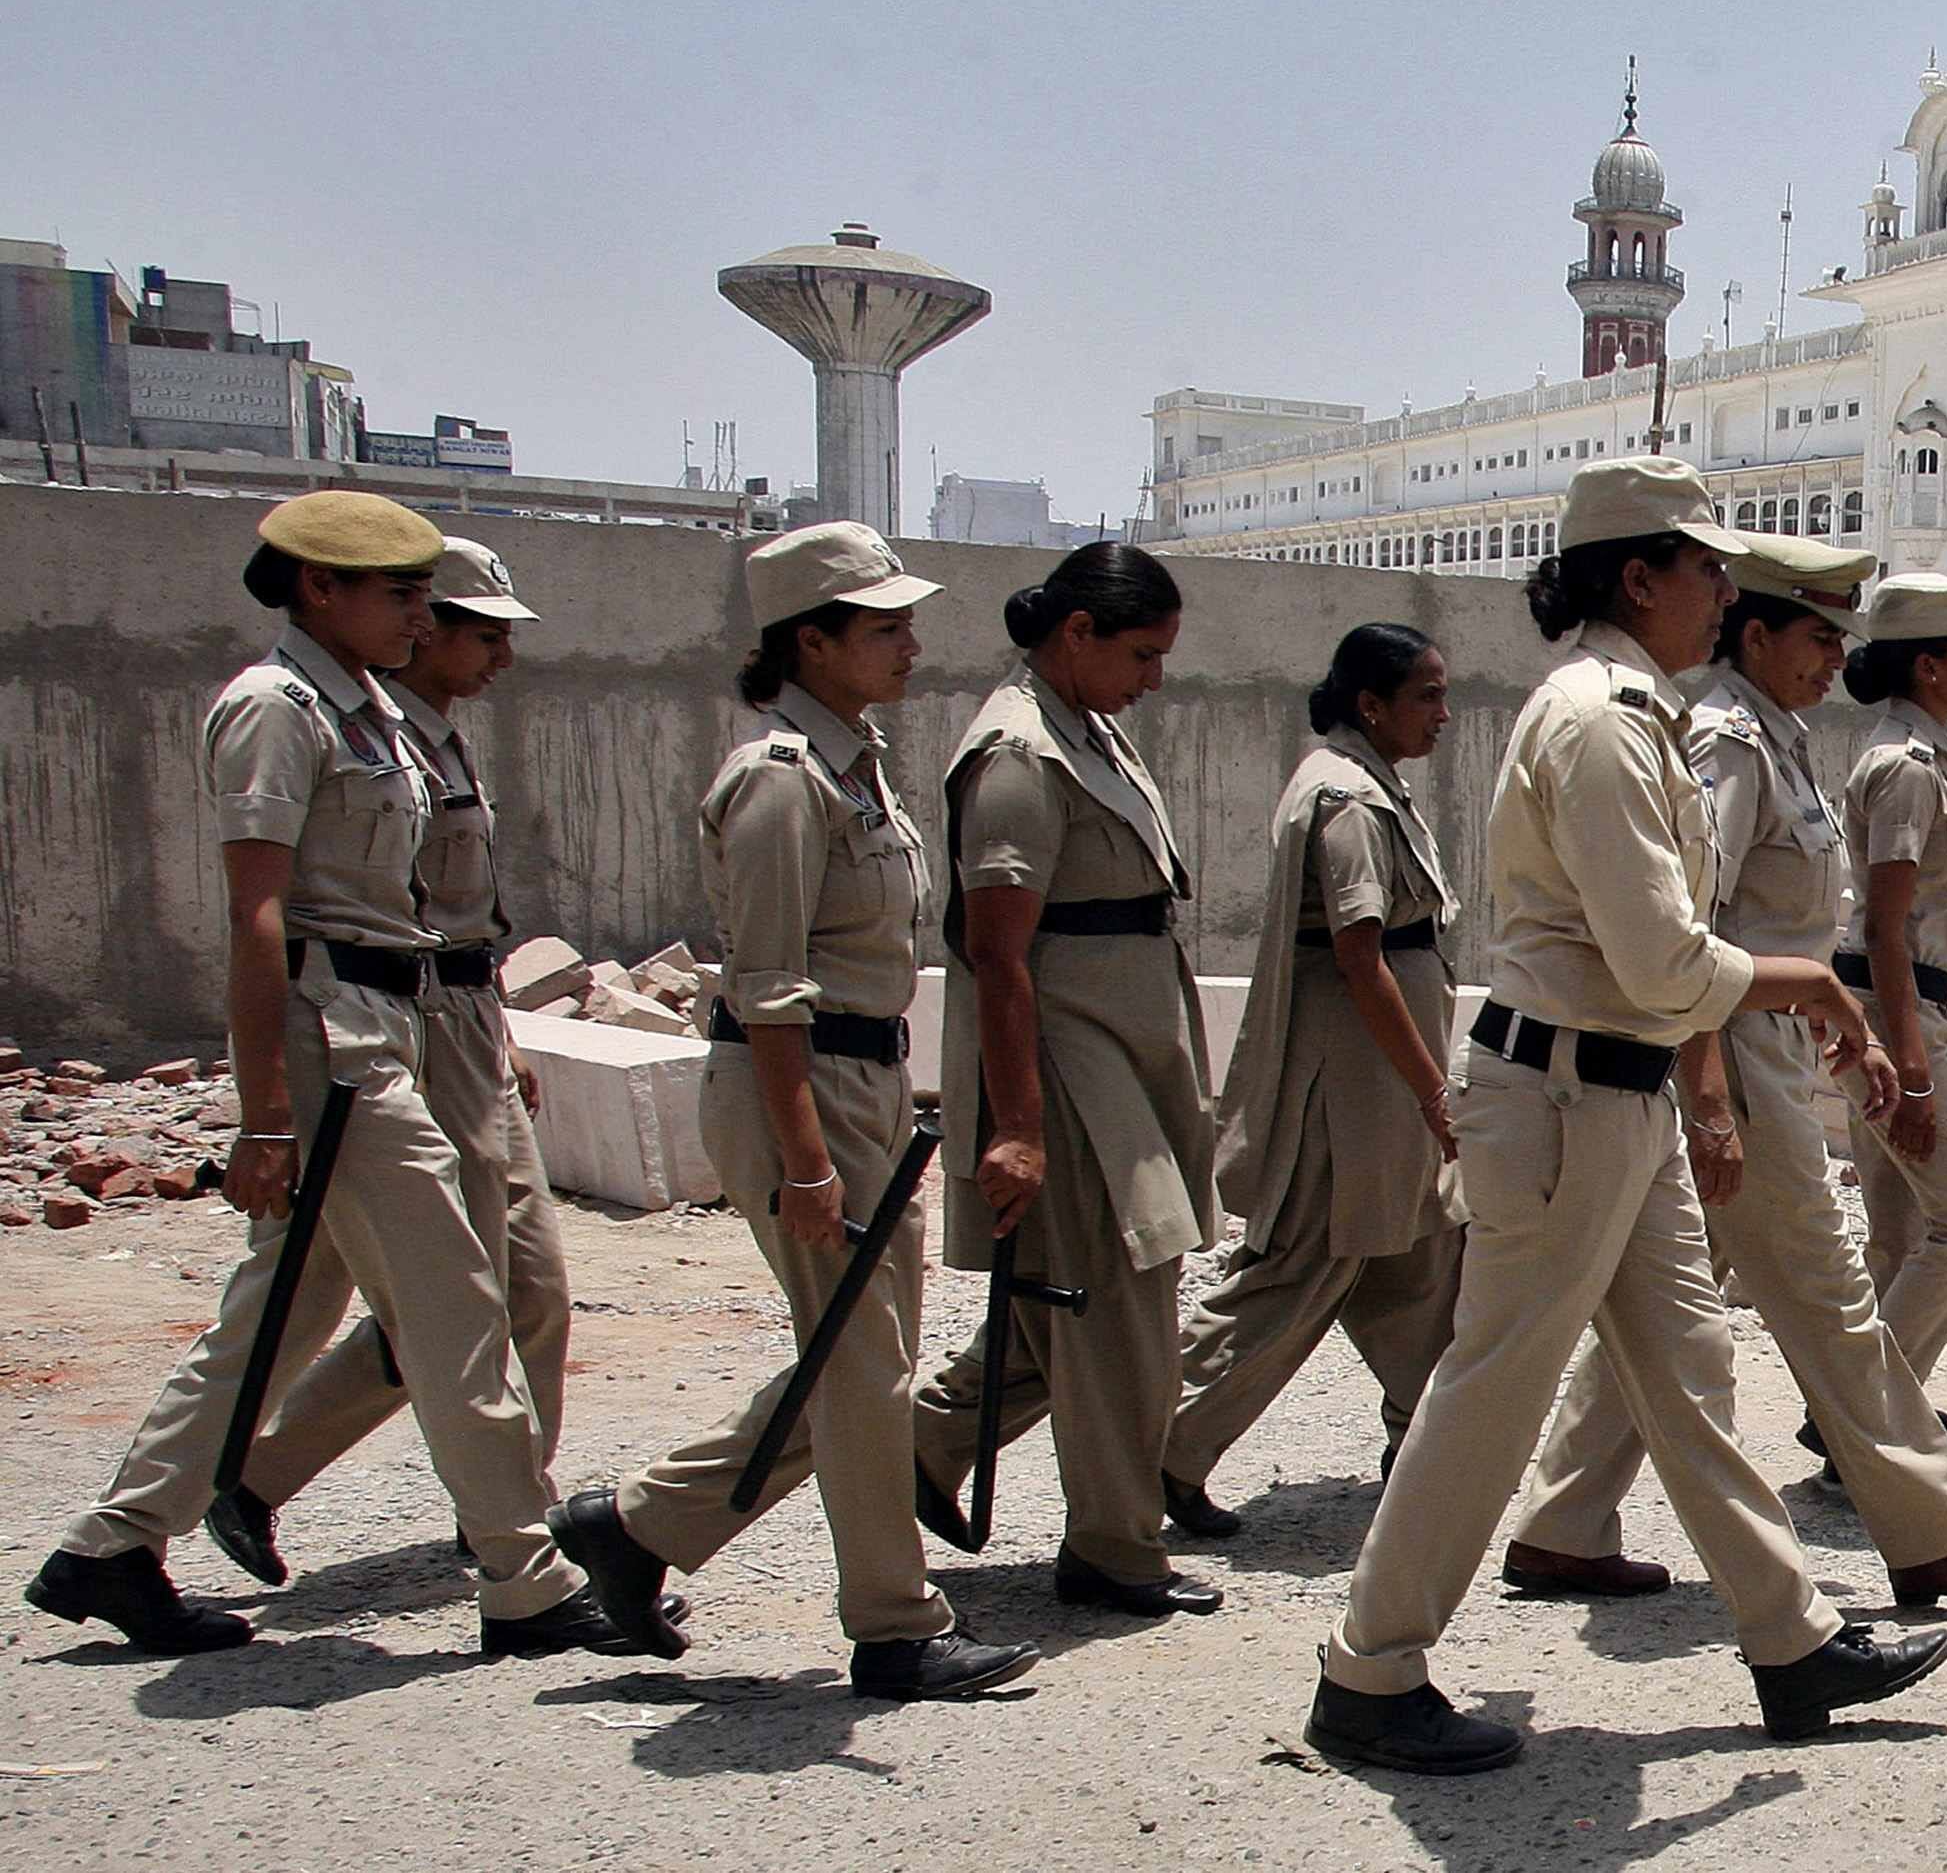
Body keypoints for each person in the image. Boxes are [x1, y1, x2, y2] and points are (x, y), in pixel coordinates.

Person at [1306, 456, 1947, 1778]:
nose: (1726, 587)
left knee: (1688, 1373)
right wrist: (1816, 985)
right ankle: (1370, 1670)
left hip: (1617, 1093)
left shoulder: (1637, 712)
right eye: (1707, 566)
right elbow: (1664, 962)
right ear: (1639, 575)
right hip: (1560, 1097)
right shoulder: (1600, 722)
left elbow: (1655, 979)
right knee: (1492, 1386)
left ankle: (1791, 1633)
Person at [28, 494, 619, 1659]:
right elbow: (259, 917)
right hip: (334, 1034)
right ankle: (523, 1573)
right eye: (402, 595)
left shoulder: (375, 718)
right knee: (455, 1292)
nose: (419, 616)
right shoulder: (275, 708)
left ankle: (113, 1543)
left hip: (391, 1019)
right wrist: (265, 1113)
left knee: (280, 1311)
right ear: (318, 589)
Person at [547, 520, 1038, 1702]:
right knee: (864, 1366)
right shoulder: (777, 778)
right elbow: (765, 984)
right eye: (884, 627)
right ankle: (893, 1621)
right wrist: (807, 1158)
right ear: (809, 641)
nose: (910, 645)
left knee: (861, 1355)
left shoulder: (849, 761)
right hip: (798, 1086)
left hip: (858, 1081)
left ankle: (637, 1522)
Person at [1506, 538, 1947, 1611]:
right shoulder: (1724, 743)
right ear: (1753, 632)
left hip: (1765, 1043)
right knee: (1825, 1285)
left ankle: (1564, 1521)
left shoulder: (1780, 741)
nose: (1834, 654)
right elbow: (1688, 926)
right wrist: (1707, 1094)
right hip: (1729, 1049)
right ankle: (1932, 1531)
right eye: (1815, 632)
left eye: (1842, 634)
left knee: (1668, 1297)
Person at [207, 538, 576, 1588]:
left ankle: (489, 1500)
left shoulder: (425, 742)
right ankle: (492, 1513)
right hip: (393, 1031)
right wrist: (269, 1106)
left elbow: (454, 920)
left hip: (457, 1020)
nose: (495, 654)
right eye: (475, 629)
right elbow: (356, 924)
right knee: (458, 1293)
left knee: (514, 1282)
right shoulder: (341, 736)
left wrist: (498, 1034)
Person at [906, 544, 1222, 1619]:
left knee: (1076, 1302)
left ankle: (927, 1435)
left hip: (1121, 1045)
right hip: (1072, 1060)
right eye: (1140, 651)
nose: (1154, 677)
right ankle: (1113, 1545)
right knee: (1123, 1307)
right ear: (1075, 632)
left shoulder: (1083, 731)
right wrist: (1019, 1127)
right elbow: (998, 954)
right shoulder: (1017, 752)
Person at [1164, 623, 1467, 1535]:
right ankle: (1157, 1446)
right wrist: (1430, 1090)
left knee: (1423, 1256)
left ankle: (1427, 1440)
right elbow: (1359, 955)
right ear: (1371, 703)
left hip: (1380, 1086)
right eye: (1427, 697)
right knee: (1301, 1269)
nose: (1443, 716)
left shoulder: (1369, 784)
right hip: (1356, 1087)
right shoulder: (1347, 800)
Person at [1832, 575, 1947, 1396]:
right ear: (1930, 667)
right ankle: (1867, 1410)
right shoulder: (1905, 767)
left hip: (1899, 1005)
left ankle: (1861, 1434)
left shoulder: (1929, 756)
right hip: (1894, 1009)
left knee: (1900, 1233)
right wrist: (1907, 1062)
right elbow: (1886, 925)